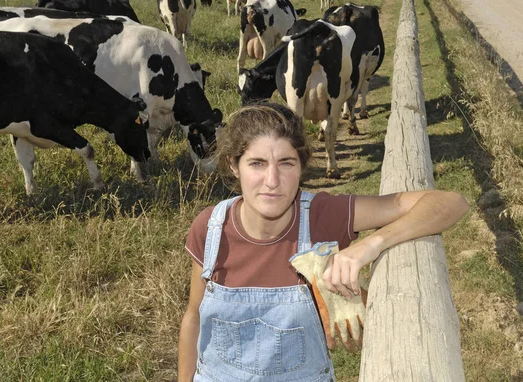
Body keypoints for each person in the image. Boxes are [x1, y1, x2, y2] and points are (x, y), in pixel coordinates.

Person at [177, 102, 469, 381]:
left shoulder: (321, 216)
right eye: (257, 163)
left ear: (302, 166)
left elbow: (450, 203)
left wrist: (369, 245)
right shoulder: (212, 228)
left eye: (286, 163)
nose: (272, 180)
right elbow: (193, 317)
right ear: (233, 165)